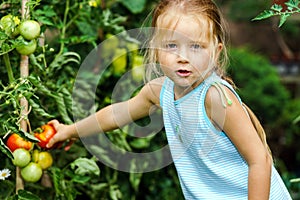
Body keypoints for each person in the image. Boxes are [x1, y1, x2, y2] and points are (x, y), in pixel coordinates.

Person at [47, 0, 292, 199]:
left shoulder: (215, 98)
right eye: (172, 45)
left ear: (216, 52)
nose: (183, 57)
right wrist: (69, 131)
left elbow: (259, 159)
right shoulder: (158, 91)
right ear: (155, 49)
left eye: (196, 47)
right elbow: (115, 114)